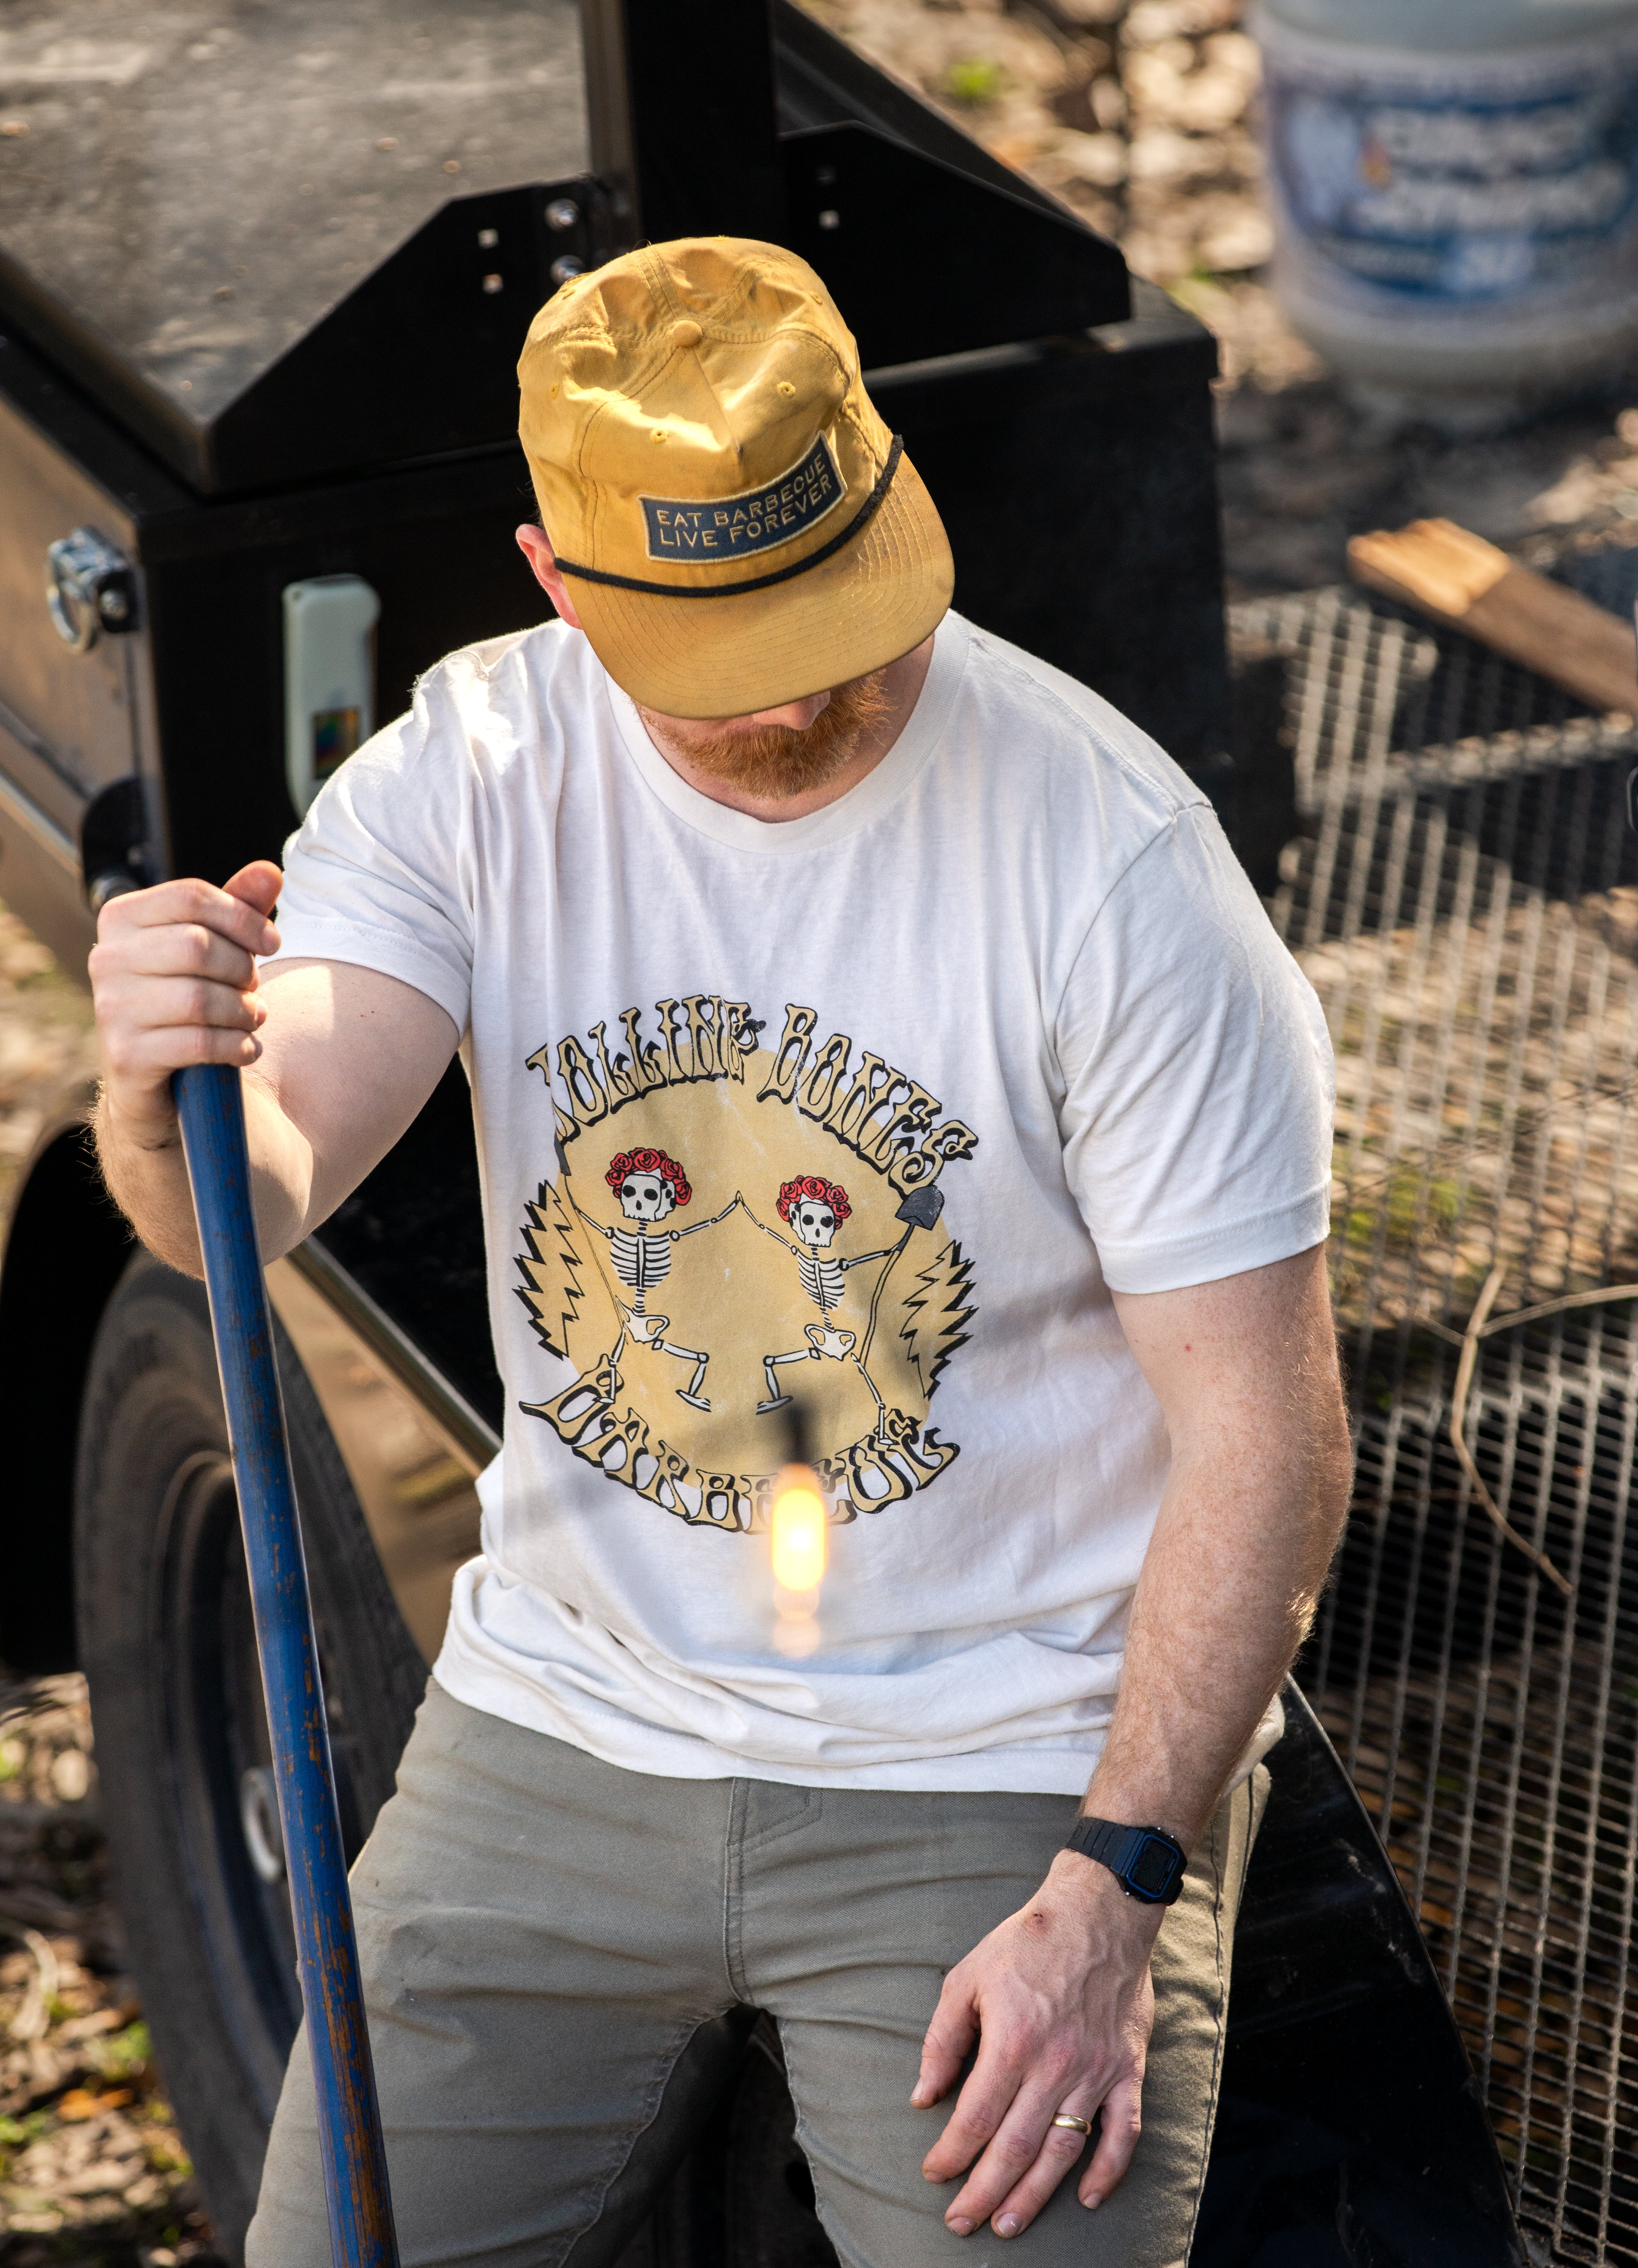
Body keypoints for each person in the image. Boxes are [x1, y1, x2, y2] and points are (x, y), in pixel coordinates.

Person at [89, 237, 1351, 2268]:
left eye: (823, 609)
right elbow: (256, 1183)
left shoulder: (1109, 870)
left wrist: (1117, 1887)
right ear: (557, 577)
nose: (790, 688)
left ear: (886, 497)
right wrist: (166, 1089)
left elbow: (1267, 1437)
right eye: (712, 642)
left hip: (1007, 1757)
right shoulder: (470, 776)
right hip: (573, 1715)